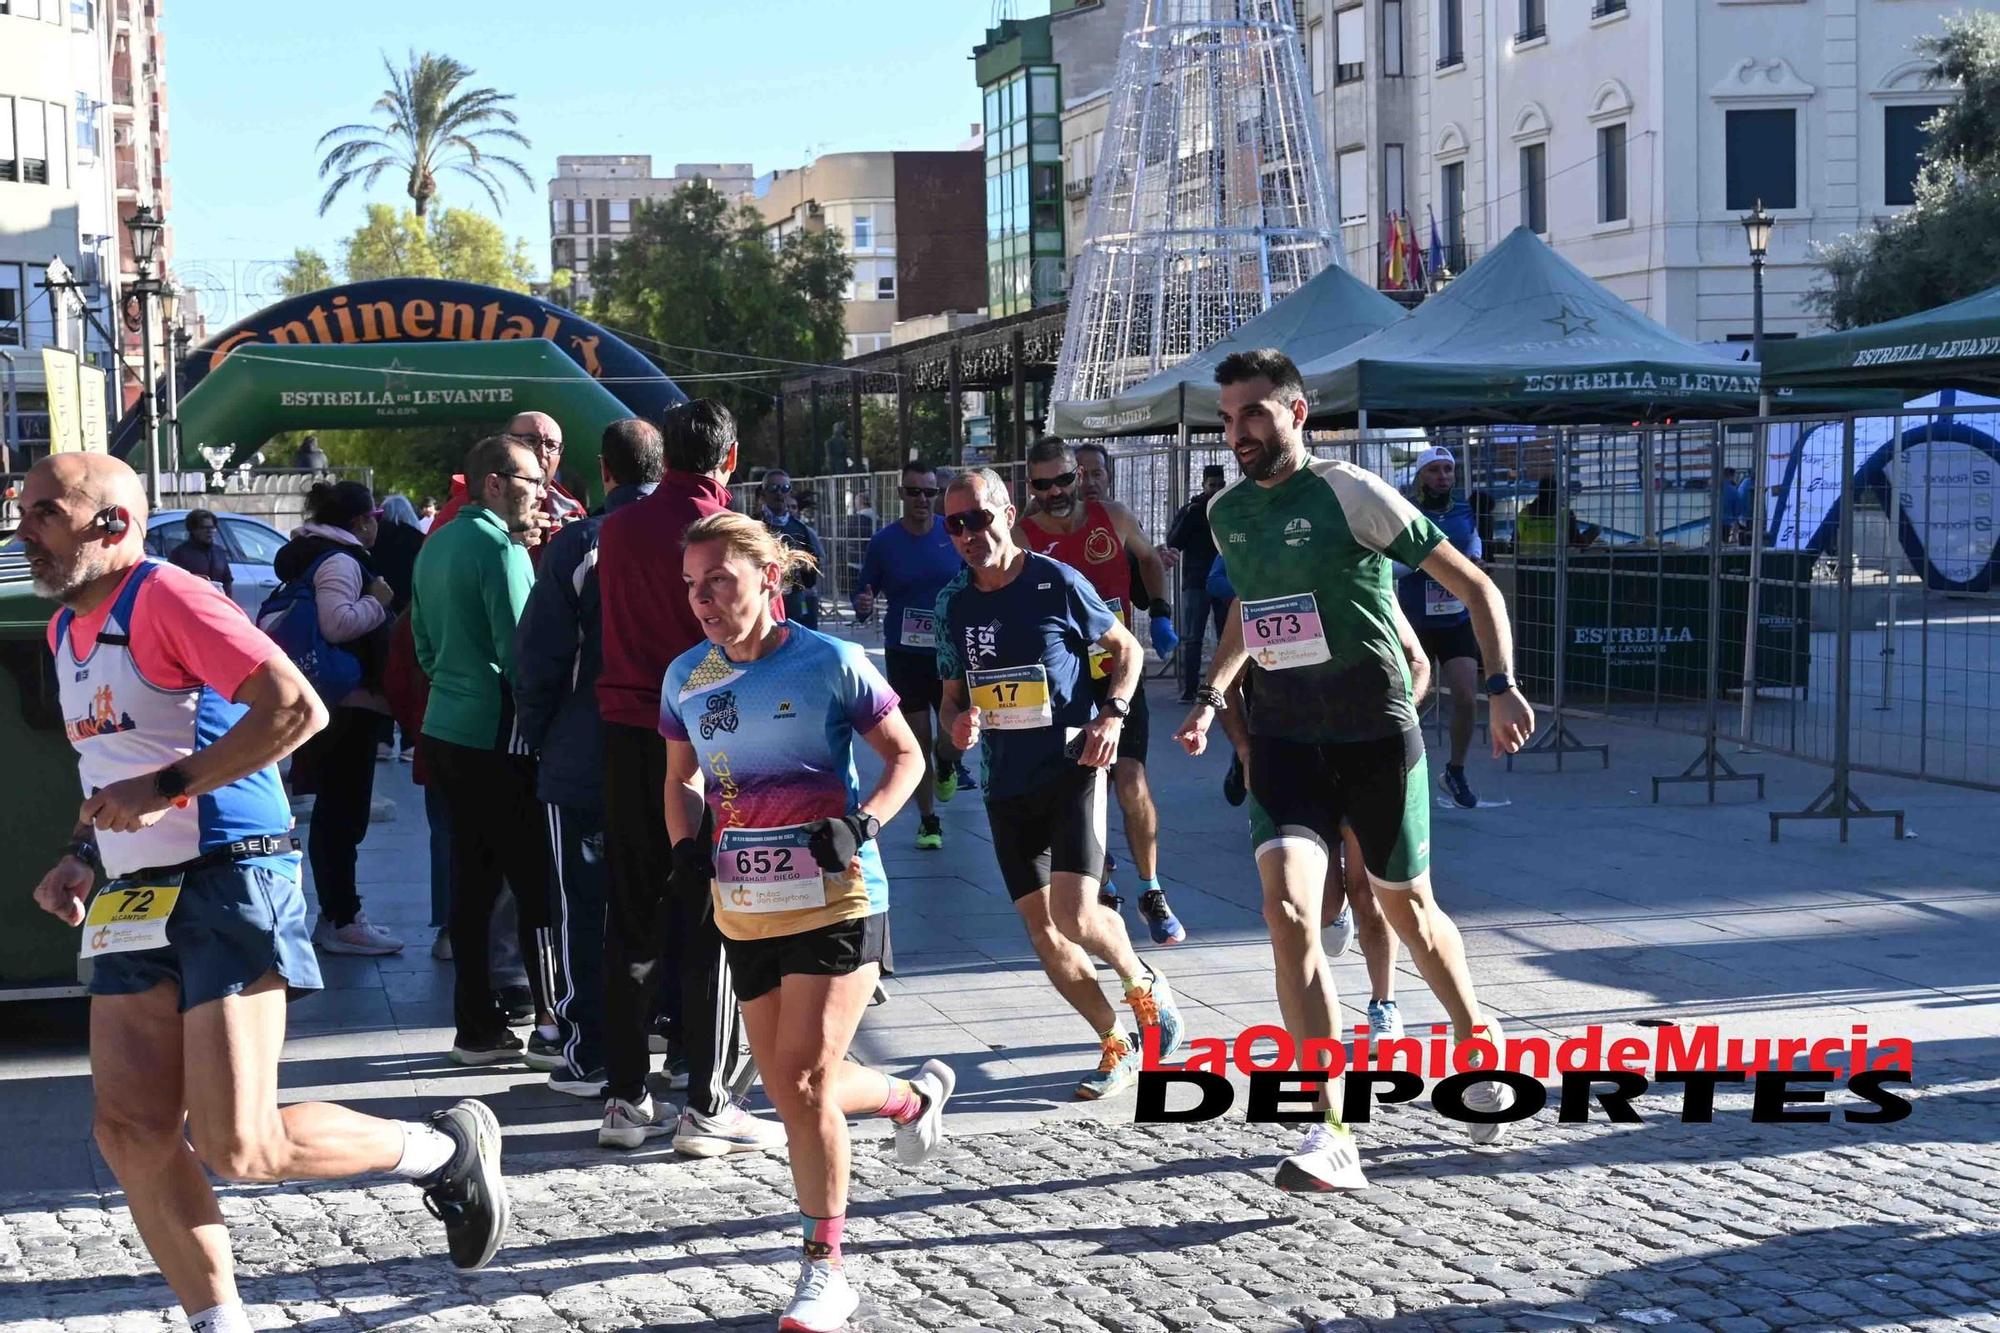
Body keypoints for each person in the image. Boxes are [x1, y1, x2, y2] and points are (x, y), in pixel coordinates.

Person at [20, 455, 507, 1333]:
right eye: (22, 513)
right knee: (129, 1130)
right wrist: (81, 852)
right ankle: (221, 1322)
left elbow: (295, 710)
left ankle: (442, 1148)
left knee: (240, 1144)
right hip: (135, 897)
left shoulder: (167, 597)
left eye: (47, 514)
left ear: (114, 525)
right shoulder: (65, 632)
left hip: (232, 873)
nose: (26, 530)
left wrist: (169, 787)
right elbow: (116, 765)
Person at [1176, 347, 1536, 1192]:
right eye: (1229, 418)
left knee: (1408, 909)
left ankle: (1478, 1038)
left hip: (1375, 735)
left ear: (1297, 413)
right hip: (1286, 742)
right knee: (1289, 911)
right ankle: (1329, 1125)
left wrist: (1501, 686)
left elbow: (1476, 586)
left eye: (1255, 414)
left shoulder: (1352, 493)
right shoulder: (1228, 512)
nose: (1240, 433)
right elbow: (1246, 613)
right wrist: (1208, 692)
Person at [664, 510, 952, 1332]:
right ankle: (907, 1096)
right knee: (795, 1089)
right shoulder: (687, 675)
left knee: (807, 1082)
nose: (704, 599)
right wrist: (686, 841)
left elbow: (907, 756)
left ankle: (824, 1267)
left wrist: (863, 824)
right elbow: (680, 777)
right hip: (746, 904)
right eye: (693, 585)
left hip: (840, 897)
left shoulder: (832, 662)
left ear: (768, 577)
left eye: (719, 579)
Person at [936, 468, 1188, 1101]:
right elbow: (949, 698)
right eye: (954, 524)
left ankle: (1140, 981)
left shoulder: (1057, 582)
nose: (967, 534)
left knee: (1074, 914)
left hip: (1072, 770)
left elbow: (1125, 651)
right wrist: (958, 726)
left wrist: (1113, 714)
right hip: (1004, 783)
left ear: (1008, 511)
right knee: (1043, 932)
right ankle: (1114, 1040)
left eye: (978, 518)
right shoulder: (952, 603)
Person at [595, 398, 785, 1156]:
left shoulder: (616, 528)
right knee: (711, 914)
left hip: (623, 732)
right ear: (729, 459)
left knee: (631, 914)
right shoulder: (731, 537)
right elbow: (761, 641)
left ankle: (623, 1094)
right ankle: (707, 1103)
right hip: (711, 736)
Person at [513, 418, 664, 1099]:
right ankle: (682, 1042)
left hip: (588, 749)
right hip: (679, 747)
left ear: (604, 471)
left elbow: (539, 655)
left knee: (585, 904)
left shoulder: (581, 542)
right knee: (670, 896)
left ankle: (589, 1047)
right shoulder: (695, 536)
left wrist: (536, 732)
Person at [410, 434, 557, 1067]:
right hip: (497, 735)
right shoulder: (500, 549)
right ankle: (557, 1026)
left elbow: (418, 642)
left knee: (471, 887)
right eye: (530, 481)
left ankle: (476, 1026)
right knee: (537, 885)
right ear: (494, 483)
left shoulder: (436, 542)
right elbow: (526, 655)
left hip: (445, 725)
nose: (541, 492)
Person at [1017, 438, 1187, 948]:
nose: (1056, 492)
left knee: (1131, 776)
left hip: (1119, 671)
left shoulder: (1111, 515)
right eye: (1043, 485)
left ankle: (1151, 889)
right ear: (1032, 487)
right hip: (1061, 683)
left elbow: (1150, 562)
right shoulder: (1022, 535)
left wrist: (1159, 613)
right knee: (1079, 787)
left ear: (1078, 477)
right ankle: (1103, 874)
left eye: (1064, 480)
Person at [263, 480, 403, 956]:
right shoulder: (342, 561)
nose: (376, 529)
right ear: (360, 522)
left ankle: (338, 914)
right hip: (350, 704)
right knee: (342, 817)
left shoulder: (313, 554)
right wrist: (378, 602)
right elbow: (337, 623)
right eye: (374, 520)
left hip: (336, 702)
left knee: (335, 815)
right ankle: (343, 919)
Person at [853, 463, 963, 850]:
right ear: (901, 495)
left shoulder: (953, 534)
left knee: (953, 738)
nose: (922, 500)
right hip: (906, 654)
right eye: (914, 492)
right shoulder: (885, 542)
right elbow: (864, 593)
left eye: (929, 493)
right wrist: (863, 602)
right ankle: (929, 821)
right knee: (917, 740)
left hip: (951, 654)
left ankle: (948, 761)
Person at [1398, 446, 1485, 809]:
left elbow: (1472, 540)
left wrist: (1475, 558)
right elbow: (1390, 561)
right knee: (1411, 702)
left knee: (1466, 698)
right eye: (1434, 471)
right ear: (1421, 476)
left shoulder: (1464, 509)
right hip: (1415, 619)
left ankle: (1455, 770)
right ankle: (1397, 772)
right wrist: (1428, 566)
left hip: (1455, 618)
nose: (1443, 477)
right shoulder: (1406, 511)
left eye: (1448, 471)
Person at [427, 412, 586, 549]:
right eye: (531, 441)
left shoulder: (570, 512)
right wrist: (507, 545)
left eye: (551, 445)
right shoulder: (462, 510)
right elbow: (435, 571)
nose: (542, 452)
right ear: (505, 444)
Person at [1166, 465, 1229, 704]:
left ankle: (1226, 686)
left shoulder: (1229, 508)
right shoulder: (1192, 510)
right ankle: (1190, 689)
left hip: (1224, 581)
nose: (1215, 490)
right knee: (1193, 638)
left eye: (1219, 485)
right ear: (1203, 486)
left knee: (1227, 638)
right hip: (1196, 581)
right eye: (1211, 485)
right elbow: (1174, 542)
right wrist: (1191, 515)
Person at [371, 496, 426, 761]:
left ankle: (382, 739)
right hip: (411, 615)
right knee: (411, 678)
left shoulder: (377, 542)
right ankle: (410, 741)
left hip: (380, 616)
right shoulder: (418, 540)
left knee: (384, 678)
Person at [755, 469, 826, 629]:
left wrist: (802, 565)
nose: (779, 493)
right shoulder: (753, 525)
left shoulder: (800, 528)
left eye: (785, 488)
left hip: (794, 598)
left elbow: (812, 570)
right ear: (764, 492)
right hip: (762, 600)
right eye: (773, 488)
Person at [165, 509, 232, 595]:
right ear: (193, 530)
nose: (209, 531)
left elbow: (227, 580)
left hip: (217, 603)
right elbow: (172, 582)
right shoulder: (180, 553)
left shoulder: (219, 552)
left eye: (212, 527)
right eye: (204, 528)